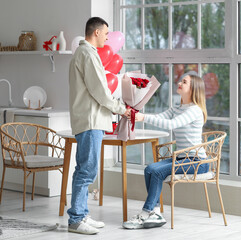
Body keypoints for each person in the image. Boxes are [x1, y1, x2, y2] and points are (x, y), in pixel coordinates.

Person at [68, 17, 131, 235]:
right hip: (90, 120)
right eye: (105, 33)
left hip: (91, 119)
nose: (107, 36)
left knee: (86, 168)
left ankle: (82, 214)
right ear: (96, 32)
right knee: (86, 170)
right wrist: (122, 109)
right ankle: (76, 219)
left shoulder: (86, 53)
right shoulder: (87, 54)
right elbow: (100, 91)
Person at [122, 71, 208, 229]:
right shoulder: (178, 108)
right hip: (182, 158)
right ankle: (154, 213)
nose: (180, 83)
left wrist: (143, 118)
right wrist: (138, 114)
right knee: (149, 169)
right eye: (181, 81)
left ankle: (146, 213)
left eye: (184, 82)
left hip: (197, 162)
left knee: (157, 172)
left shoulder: (194, 110)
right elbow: (161, 117)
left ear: (193, 89)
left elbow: (171, 125)